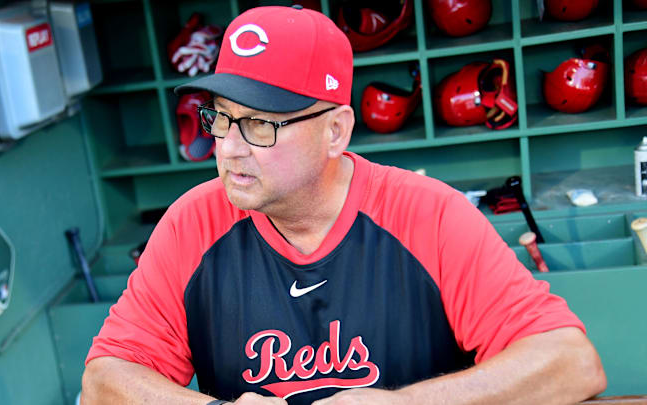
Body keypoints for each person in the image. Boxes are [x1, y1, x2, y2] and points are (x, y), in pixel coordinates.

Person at [81, 5, 606, 405]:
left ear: (336, 130)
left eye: (260, 124)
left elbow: (569, 362)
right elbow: (103, 381)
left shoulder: (429, 214)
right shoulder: (193, 223)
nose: (230, 147)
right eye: (220, 117)